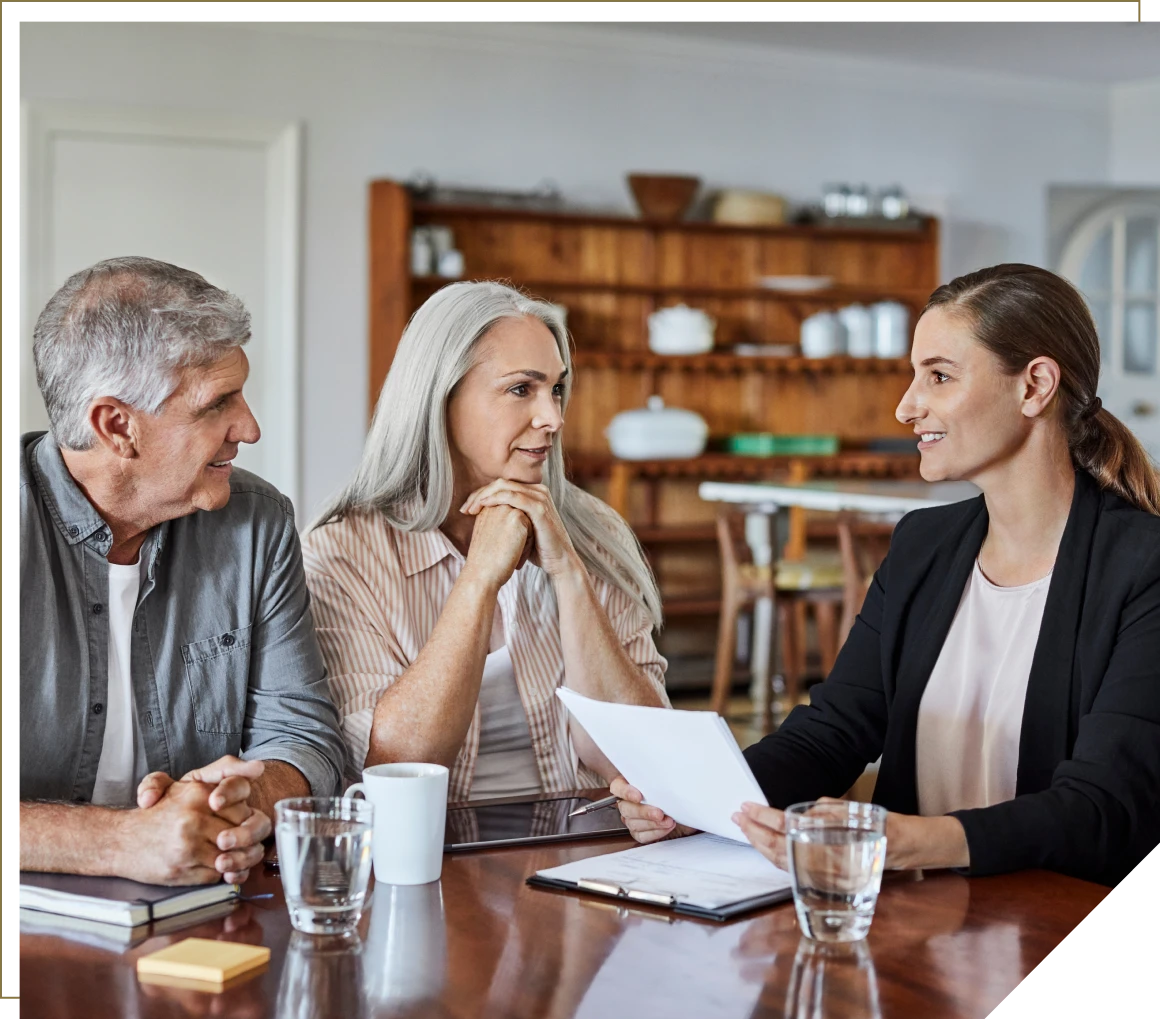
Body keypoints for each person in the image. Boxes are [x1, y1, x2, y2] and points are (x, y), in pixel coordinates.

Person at [615, 264, 1160, 887]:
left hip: (1047, 921)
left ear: (1034, 386)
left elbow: (1104, 808)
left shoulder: (1142, 568)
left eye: (939, 376)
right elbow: (835, 730)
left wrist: (906, 841)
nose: (907, 406)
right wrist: (700, 804)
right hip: (916, 924)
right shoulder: (923, 546)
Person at [16, 257, 346, 887]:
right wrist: (118, 843)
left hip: (202, 908)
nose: (248, 428)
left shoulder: (258, 524)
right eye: (217, 403)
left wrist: (237, 805)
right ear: (117, 426)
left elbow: (305, 737)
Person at [301, 281, 669, 801]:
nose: (553, 418)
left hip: (587, 850)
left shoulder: (594, 532)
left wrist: (569, 575)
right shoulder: (342, 555)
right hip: (434, 858)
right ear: (439, 399)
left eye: (556, 388)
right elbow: (396, 768)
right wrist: (478, 579)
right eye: (522, 389)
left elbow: (645, 762)